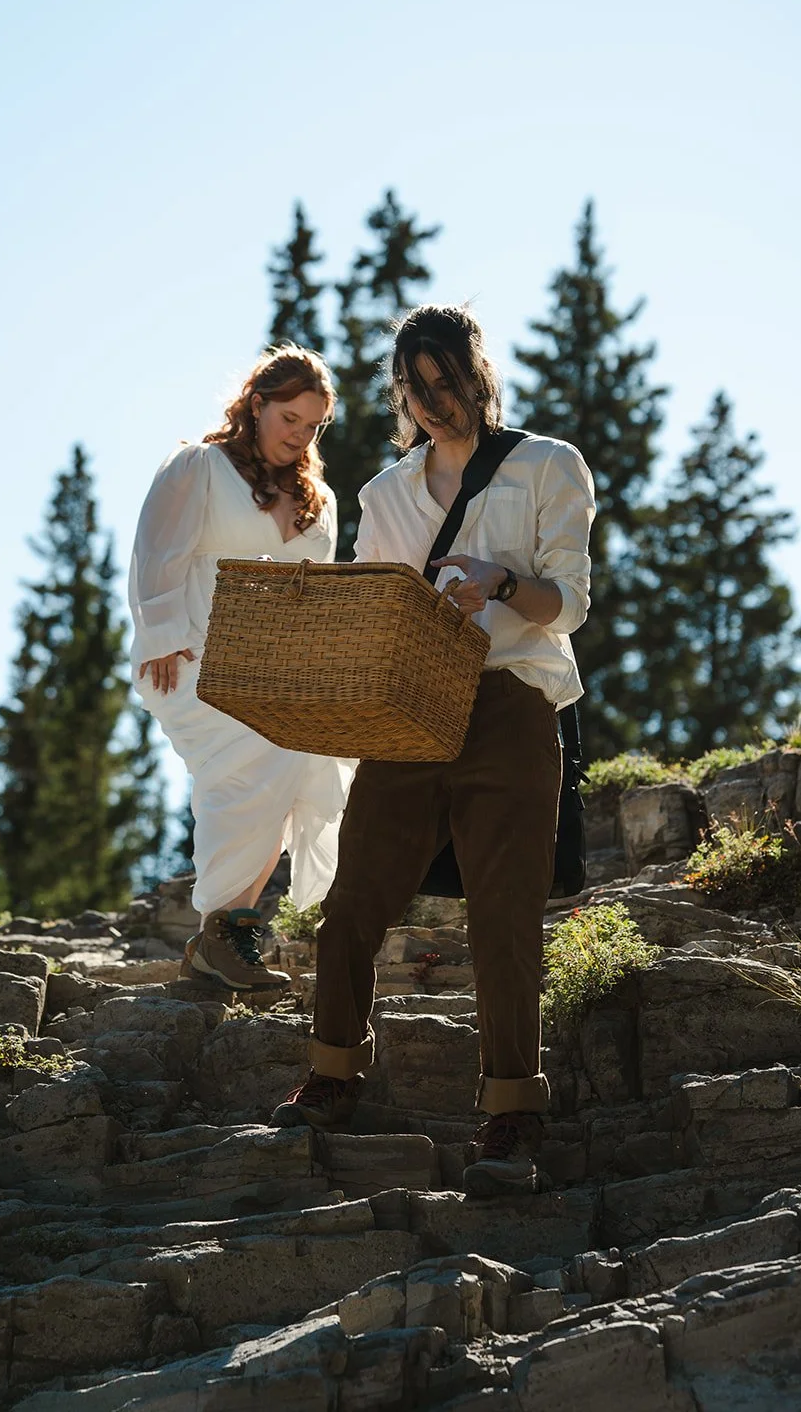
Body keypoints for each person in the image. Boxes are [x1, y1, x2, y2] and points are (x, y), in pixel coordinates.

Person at [271, 304, 595, 1199]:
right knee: (352, 904)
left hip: (511, 703)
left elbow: (566, 601)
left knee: (503, 916)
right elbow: (378, 613)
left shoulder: (545, 465)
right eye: (416, 388)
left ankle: (510, 1115)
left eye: (446, 382)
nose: (434, 402)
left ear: (475, 374)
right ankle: (332, 1074)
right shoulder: (383, 494)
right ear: (401, 394)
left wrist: (495, 582)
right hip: (410, 710)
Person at [129, 343, 354, 992]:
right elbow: (155, 554)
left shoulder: (319, 499)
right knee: (256, 756)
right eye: (289, 419)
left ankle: (229, 931)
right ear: (256, 406)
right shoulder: (198, 467)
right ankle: (223, 927)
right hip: (187, 653)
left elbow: (317, 591)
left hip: (276, 670)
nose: (299, 435)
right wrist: (163, 636)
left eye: (312, 426)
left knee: (302, 763)